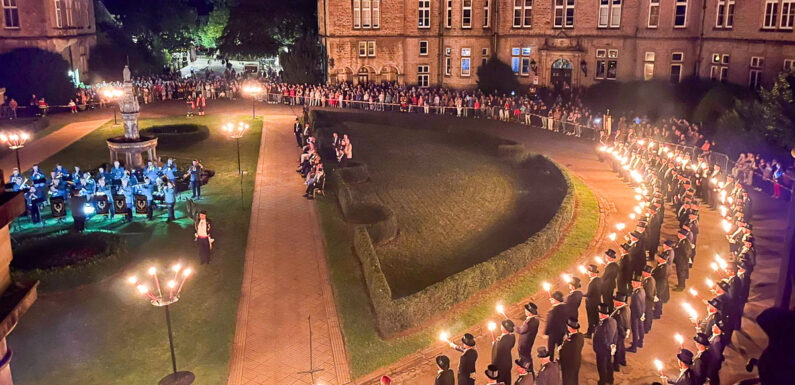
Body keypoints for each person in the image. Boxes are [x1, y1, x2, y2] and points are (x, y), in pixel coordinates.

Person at [593, 303, 617, 385]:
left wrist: (608, 347)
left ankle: (602, 382)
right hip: (609, 348)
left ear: (602, 314)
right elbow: (615, 334)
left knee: (601, 367)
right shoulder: (613, 321)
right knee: (609, 364)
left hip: (602, 350)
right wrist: (613, 345)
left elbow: (605, 339)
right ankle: (610, 380)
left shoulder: (604, 325)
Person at [558, 318, 584, 385]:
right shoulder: (581, 336)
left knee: (567, 380)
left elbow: (565, 355)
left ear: (569, 327)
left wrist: (560, 349)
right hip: (577, 362)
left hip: (568, 365)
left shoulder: (570, 343)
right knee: (574, 379)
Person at [516, 302, 539, 376]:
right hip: (529, 342)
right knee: (527, 356)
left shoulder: (528, 323)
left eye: (526, 311)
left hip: (524, 344)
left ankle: (528, 371)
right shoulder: (536, 320)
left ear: (530, 313)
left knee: (524, 357)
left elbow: (520, 331)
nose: (525, 311)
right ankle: (530, 371)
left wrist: (512, 326)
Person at [545, 291, 568, 361]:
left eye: (552, 299)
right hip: (562, 331)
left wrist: (546, 332)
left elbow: (549, 323)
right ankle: (562, 358)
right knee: (560, 345)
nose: (550, 300)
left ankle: (550, 361)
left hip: (553, 333)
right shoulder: (565, 307)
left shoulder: (553, 311)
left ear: (556, 300)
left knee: (551, 348)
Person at [491, 319, 515, 385]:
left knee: (500, 381)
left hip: (500, 366)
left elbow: (495, 357)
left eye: (502, 326)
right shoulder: (512, 337)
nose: (500, 326)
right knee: (507, 379)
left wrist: (494, 344)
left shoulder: (499, 343)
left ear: (504, 329)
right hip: (508, 363)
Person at [611, 292, 630, 371]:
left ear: (619, 302)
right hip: (624, 331)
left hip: (618, 333)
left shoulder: (619, 313)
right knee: (622, 347)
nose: (613, 302)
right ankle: (623, 361)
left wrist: (623, 334)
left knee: (617, 349)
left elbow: (619, 325)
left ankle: (616, 366)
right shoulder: (626, 308)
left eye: (615, 300)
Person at [627, 275, 646, 352]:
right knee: (641, 327)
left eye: (633, 282)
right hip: (641, 312)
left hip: (636, 314)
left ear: (637, 283)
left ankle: (634, 347)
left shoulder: (635, 294)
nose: (632, 283)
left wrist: (639, 315)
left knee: (635, 330)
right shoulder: (642, 291)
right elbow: (643, 303)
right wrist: (642, 314)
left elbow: (637, 305)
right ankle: (640, 341)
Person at [585, 264, 603, 338]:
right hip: (597, 302)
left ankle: (590, 333)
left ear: (592, 273)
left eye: (589, 272)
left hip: (591, 303)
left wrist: (580, 294)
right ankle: (594, 331)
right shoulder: (599, 280)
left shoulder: (593, 283)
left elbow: (589, 294)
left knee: (591, 318)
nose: (588, 273)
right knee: (595, 318)